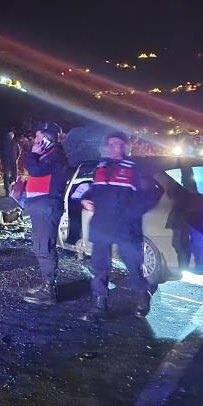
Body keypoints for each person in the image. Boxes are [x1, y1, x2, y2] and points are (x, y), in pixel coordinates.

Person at [81, 131, 162, 317]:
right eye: (110, 145)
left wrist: (131, 213)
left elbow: (153, 193)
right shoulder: (101, 166)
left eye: (117, 145)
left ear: (125, 147)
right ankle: (99, 305)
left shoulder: (135, 168)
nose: (112, 148)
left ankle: (143, 295)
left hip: (126, 227)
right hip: (101, 225)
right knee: (100, 267)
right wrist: (85, 199)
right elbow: (93, 190)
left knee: (132, 264)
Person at [21, 122, 72, 305]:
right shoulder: (49, 155)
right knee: (41, 246)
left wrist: (33, 153)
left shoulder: (55, 155)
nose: (35, 141)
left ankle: (49, 290)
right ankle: (47, 284)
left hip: (46, 207)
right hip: (40, 206)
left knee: (44, 247)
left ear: (47, 138)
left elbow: (35, 169)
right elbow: (37, 174)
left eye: (38, 137)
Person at [0, 130, 20, 197]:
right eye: (9, 135)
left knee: (14, 176)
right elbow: (0, 152)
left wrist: (16, 159)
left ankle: (11, 187)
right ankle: (7, 190)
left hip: (13, 162)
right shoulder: (4, 143)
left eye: (11, 135)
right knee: (6, 176)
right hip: (6, 162)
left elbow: (19, 151)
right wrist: (2, 159)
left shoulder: (15, 143)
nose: (10, 136)